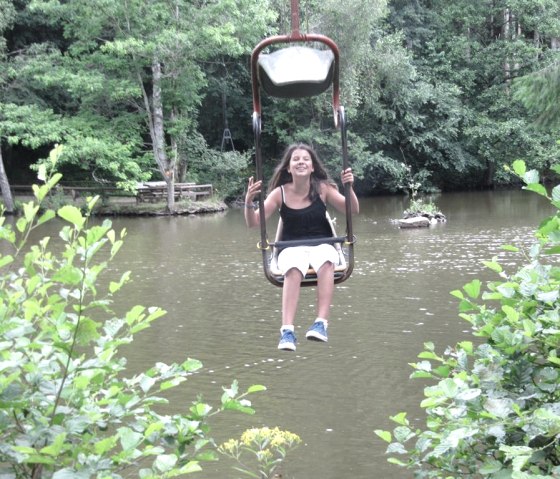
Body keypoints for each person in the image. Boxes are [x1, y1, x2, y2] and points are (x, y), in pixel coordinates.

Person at [244, 143, 359, 351]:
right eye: (295, 159)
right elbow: (253, 222)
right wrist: (249, 201)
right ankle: (287, 331)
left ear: (313, 166)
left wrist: (348, 187)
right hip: (291, 247)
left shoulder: (323, 188)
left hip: (323, 244)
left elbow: (352, 210)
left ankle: (321, 323)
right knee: (294, 265)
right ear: (288, 168)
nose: (301, 162)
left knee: (326, 258)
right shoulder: (280, 194)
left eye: (305, 159)